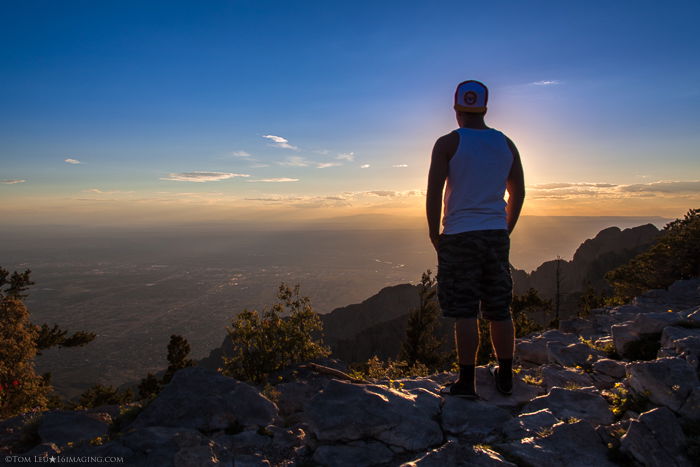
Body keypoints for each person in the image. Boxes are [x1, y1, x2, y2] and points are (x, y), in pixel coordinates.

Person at [426, 80, 525, 399]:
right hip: (495, 233)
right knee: (499, 307)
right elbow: (518, 192)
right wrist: (504, 228)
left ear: (456, 109)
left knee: (465, 311)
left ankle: (466, 383)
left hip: (458, 235)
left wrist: (434, 233)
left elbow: (434, 192)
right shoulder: (506, 143)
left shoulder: (447, 143)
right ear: (485, 108)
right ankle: (506, 376)